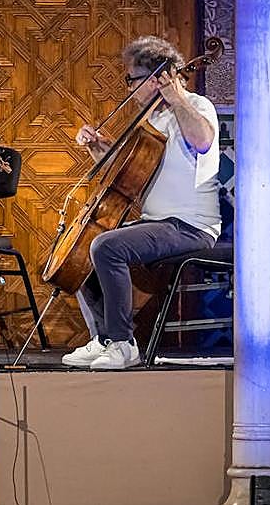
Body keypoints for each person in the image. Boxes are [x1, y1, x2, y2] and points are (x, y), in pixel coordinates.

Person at [61, 35, 221, 371]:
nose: (128, 88)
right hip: (158, 224)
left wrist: (177, 99)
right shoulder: (152, 122)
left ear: (156, 78)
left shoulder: (196, 106)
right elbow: (130, 176)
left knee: (107, 246)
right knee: (83, 243)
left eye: (131, 80)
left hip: (191, 226)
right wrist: (99, 150)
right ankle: (104, 338)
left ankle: (123, 344)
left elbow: (203, 141)